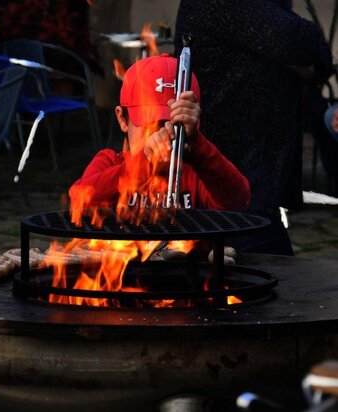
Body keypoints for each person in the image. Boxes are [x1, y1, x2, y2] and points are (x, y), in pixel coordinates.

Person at [174, 0, 333, 255]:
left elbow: (317, 55)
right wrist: (298, 58)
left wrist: (304, 60)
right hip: (234, 177)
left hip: (254, 174)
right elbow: (303, 39)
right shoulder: (227, 5)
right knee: (267, 277)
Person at [69, 54, 250, 220]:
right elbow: (79, 200)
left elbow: (238, 202)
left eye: (172, 125)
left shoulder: (197, 172)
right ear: (123, 119)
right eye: (150, 124)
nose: (161, 134)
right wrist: (143, 164)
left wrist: (199, 147)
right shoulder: (110, 162)